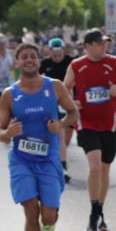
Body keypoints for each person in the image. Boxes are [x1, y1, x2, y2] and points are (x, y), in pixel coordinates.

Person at [0, 43, 79, 231]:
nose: (29, 60)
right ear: (17, 63)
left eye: (32, 56)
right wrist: (8, 133)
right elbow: (0, 133)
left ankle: (52, 216)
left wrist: (61, 125)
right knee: (29, 209)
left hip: (48, 159)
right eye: (24, 57)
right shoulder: (9, 95)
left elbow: (72, 112)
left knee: (48, 217)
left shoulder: (54, 86)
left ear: (38, 60)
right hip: (21, 159)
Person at [63, 28, 116, 231]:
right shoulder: (76, 65)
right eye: (99, 43)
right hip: (86, 123)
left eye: (105, 42)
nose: (104, 46)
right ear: (87, 46)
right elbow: (65, 88)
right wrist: (71, 102)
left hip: (110, 124)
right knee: (94, 165)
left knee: (104, 170)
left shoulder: (114, 62)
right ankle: (94, 213)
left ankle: (99, 209)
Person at [40, 37, 75, 183]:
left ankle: (60, 158)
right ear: (49, 50)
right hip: (52, 104)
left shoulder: (71, 62)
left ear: (63, 49)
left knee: (66, 139)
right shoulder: (45, 64)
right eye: (53, 51)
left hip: (70, 103)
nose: (56, 54)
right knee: (60, 138)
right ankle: (63, 168)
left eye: (58, 50)